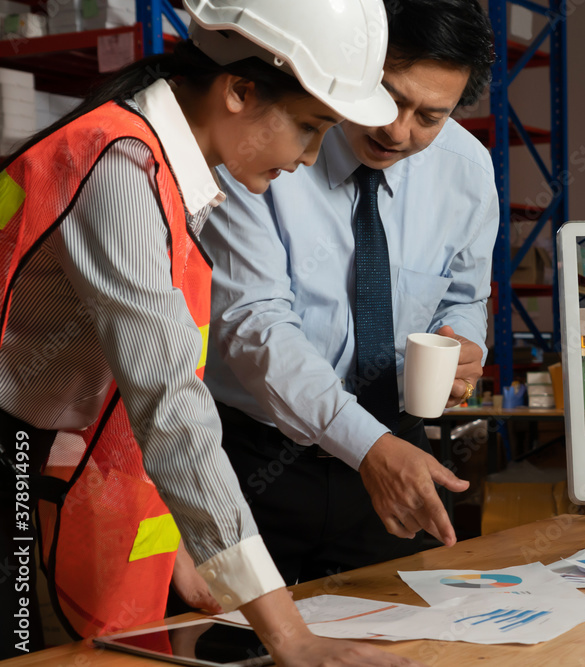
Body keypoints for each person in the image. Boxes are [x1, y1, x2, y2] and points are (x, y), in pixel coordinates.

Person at [0, 0, 421, 664]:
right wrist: (292, 636)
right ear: (239, 91)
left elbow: (135, 386)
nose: (311, 157)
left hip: (52, 450)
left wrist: (196, 551)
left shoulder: (164, 170)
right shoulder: (120, 169)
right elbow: (170, 406)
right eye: (310, 128)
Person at [201, 0, 497, 585]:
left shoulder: (467, 168)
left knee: (390, 639)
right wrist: (367, 447)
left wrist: (464, 343)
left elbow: (464, 294)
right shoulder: (261, 144)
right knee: (232, 645)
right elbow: (255, 323)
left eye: (430, 117)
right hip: (256, 459)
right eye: (389, 96)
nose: (398, 130)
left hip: (398, 453)